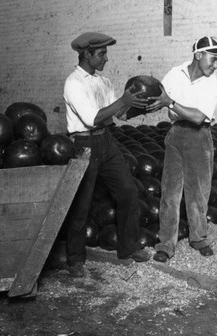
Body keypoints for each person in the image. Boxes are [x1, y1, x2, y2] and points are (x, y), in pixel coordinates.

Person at [63, 31, 151, 277]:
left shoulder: (103, 81)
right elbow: (93, 119)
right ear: (86, 54)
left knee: (128, 191)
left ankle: (128, 247)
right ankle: (75, 259)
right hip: (84, 144)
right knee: (81, 203)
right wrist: (123, 99)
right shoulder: (73, 82)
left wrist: (142, 108)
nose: (106, 58)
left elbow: (120, 115)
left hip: (107, 141)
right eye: (101, 54)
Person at [145, 36, 217, 263]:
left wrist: (170, 103)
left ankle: (198, 238)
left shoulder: (212, 83)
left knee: (198, 192)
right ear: (198, 55)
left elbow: (199, 116)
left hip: (199, 137)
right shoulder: (174, 73)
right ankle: (166, 244)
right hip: (175, 135)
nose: (216, 65)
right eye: (213, 59)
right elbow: (157, 99)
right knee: (170, 192)